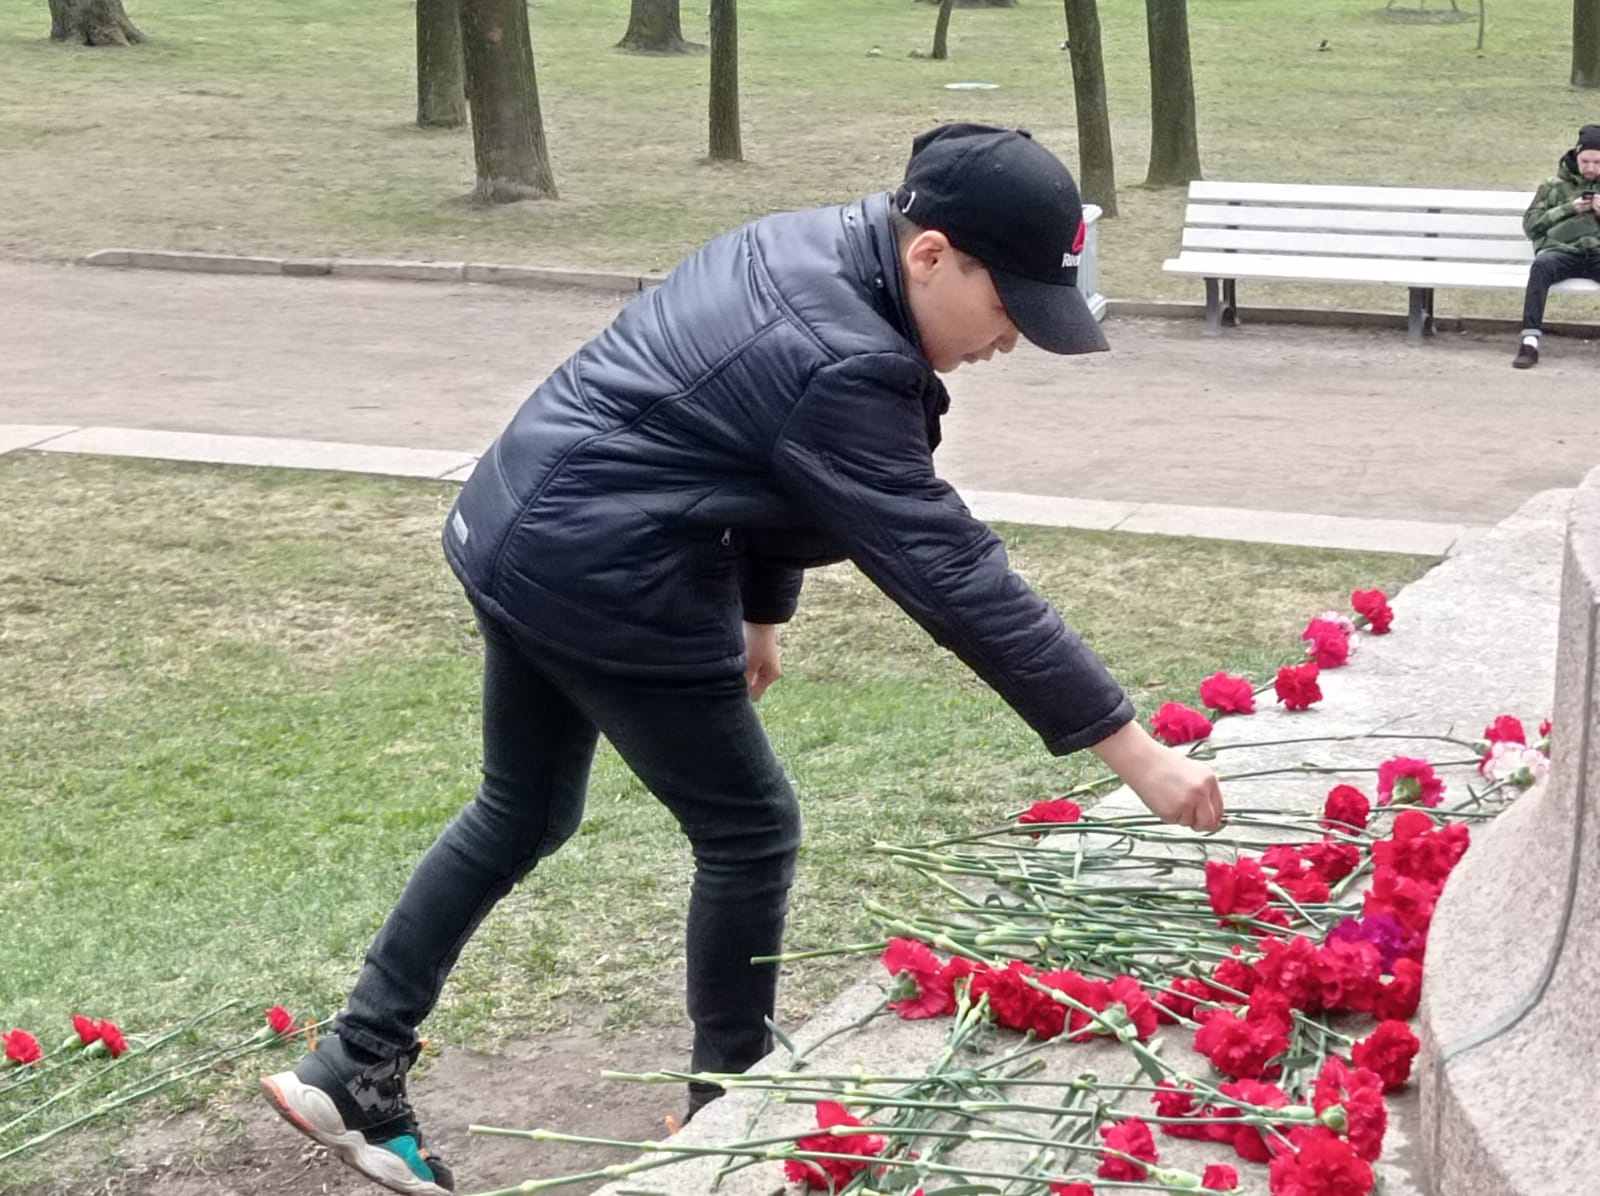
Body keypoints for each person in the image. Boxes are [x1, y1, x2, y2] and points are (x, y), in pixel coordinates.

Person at [261, 122, 1227, 1196]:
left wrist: (761, 613)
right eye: (1010, 309)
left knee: (519, 810)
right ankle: (730, 1112)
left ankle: (354, 1063)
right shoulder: (848, 357)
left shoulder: (812, 244)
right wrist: (1136, 753)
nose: (1012, 341)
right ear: (930, 254)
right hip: (605, 572)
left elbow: (747, 447)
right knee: (749, 830)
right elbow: (953, 574)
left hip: (518, 528)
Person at [1515, 123, 1600, 368]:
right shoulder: (1553, 186)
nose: (1590, 168)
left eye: (1597, 162)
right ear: (1576, 156)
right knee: (1541, 266)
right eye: (1585, 161)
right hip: (1561, 252)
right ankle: (1529, 342)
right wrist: (1568, 209)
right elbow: (1531, 227)